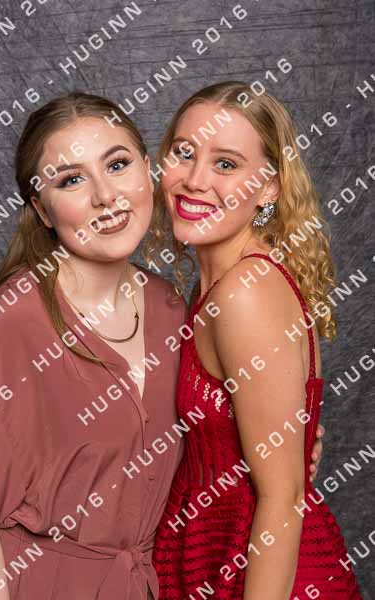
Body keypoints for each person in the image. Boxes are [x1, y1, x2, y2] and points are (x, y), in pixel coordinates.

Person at [0, 91, 324, 600]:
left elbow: (228, 437)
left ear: (144, 168)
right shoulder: (13, 320)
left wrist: (295, 443)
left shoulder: (173, 309)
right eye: (71, 180)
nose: (105, 196)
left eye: (116, 165)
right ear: (42, 209)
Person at [150, 81, 362, 599]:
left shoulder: (245, 292)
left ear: (269, 188)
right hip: (212, 558)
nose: (195, 179)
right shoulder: (217, 283)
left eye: (225, 164)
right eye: (184, 152)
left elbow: (283, 498)